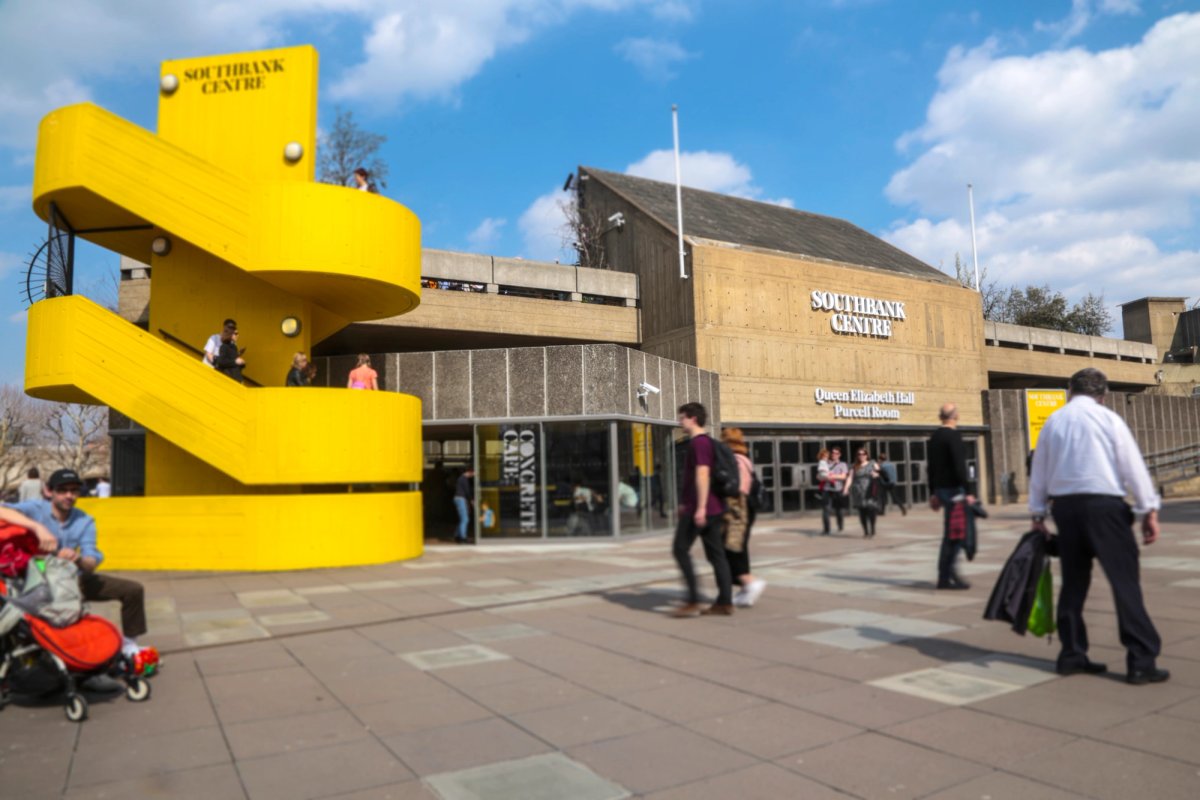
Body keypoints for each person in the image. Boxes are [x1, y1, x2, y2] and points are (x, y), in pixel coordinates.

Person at [1029, 368, 1167, 685]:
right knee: (1124, 582)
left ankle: (1072, 655)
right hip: (1105, 508)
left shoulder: (1054, 422)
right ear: (1103, 395)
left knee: (1073, 584)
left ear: (1070, 390)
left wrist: (1037, 515)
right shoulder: (1109, 420)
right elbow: (1132, 466)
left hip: (1065, 509)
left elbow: (1039, 471)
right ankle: (1141, 661)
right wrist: (1148, 510)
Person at [0, 469, 155, 666]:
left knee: (132, 590)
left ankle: (129, 646)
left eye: (74, 490)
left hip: (71, 579)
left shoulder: (85, 520)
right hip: (36, 580)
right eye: (62, 490)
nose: (69, 495)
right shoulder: (35, 509)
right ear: (49, 491)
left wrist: (78, 559)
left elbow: (91, 560)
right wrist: (37, 527)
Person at [670, 403, 733, 617]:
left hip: (701, 508)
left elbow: (703, 475)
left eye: (682, 418)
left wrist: (700, 508)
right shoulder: (705, 442)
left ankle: (693, 600)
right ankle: (725, 602)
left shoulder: (699, 443)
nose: (680, 422)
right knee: (716, 554)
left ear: (693, 419)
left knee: (680, 549)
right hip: (711, 508)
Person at [928, 403, 973, 589]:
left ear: (940, 416)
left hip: (941, 490)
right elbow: (959, 467)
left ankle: (945, 575)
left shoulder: (935, 437)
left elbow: (930, 467)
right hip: (955, 491)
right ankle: (947, 575)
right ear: (956, 416)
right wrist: (968, 491)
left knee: (950, 533)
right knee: (956, 534)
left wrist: (933, 492)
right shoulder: (954, 436)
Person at [722, 427, 766, 608]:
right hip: (744, 508)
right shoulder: (744, 459)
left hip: (739, 509)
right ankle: (745, 590)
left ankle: (749, 582)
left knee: (733, 547)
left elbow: (738, 488)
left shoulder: (737, 460)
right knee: (737, 547)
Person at [843, 448, 881, 538]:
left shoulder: (873, 463)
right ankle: (866, 532)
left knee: (871, 510)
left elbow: (880, 473)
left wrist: (876, 475)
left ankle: (872, 530)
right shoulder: (854, 466)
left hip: (870, 490)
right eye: (859, 454)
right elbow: (850, 478)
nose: (861, 456)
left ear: (866, 455)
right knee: (862, 512)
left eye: (863, 454)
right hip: (858, 491)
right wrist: (846, 488)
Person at [818, 447, 848, 535]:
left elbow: (843, 477)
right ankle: (826, 529)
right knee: (826, 510)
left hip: (838, 489)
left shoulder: (842, 464)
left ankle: (840, 525)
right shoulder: (825, 463)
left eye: (836, 453)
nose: (834, 454)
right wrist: (824, 477)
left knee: (839, 510)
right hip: (827, 489)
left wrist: (831, 476)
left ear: (839, 454)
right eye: (833, 453)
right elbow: (819, 476)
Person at [453, 467, 474, 544]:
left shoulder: (461, 478)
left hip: (459, 499)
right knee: (465, 519)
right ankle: (463, 538)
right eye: (473, 473)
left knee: (462, 519)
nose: (474, 475)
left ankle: (457, 536)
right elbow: (467, 491)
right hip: (460, 499)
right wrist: (471, 500)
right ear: (470, 472)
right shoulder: (464, 479)